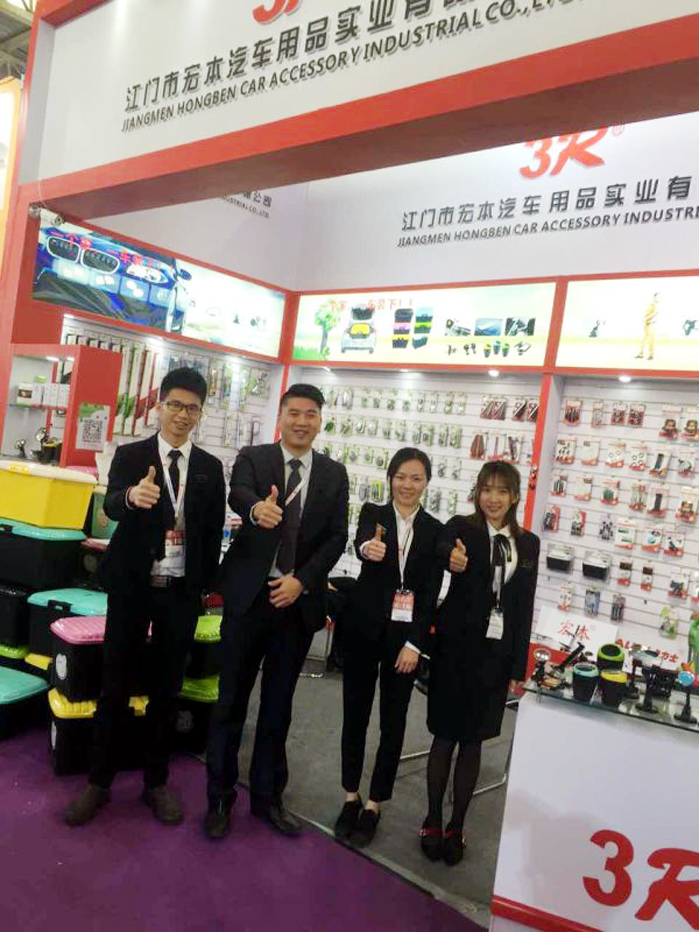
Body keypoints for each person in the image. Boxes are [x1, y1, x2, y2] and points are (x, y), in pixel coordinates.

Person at [63, 367, 226, 827]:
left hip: (180, 595)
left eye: (192, 407)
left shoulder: (210, 469)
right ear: (159, 406)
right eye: (175, 404)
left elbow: (212, 532)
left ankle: (156, 782)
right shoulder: (132, 455)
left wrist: (202, 589)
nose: (182, 414)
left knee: (167, 691)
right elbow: (112, 505)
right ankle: (99, 782)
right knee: (114, 686)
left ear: (200, 413)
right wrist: (133, 496)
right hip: (133, 589)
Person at [204, 384, 348, 841]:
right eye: (294, 412)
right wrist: (255, 510)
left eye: (310, 414)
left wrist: (301, 580)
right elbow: (238, 493)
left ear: (320, 420)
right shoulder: (255, 457)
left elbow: (337, 537)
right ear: (281, 416)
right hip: (249, 599)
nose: (301, 421)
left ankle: (268, 798)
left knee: (278, 707)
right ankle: (219, 798)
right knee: (230, 702)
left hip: (296, 602)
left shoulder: (333, 474)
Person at [421, 462, 539, 866]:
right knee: (444, 736)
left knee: (473, 741)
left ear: (515, 497)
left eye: (502, 491)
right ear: (477, 493)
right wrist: (450, 557)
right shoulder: (462, 528)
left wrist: (518, 668)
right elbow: (441, 548)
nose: (493, 498)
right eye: (487, 489)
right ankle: (432, 819)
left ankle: (456, 825)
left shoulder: (529, 544)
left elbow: (524, 607)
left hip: (495, 657)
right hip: (454, 650)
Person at [334, 448, 443, 847]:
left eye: (416, 478)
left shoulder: (434, 529)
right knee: (355, 714)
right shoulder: (373, 513)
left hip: (405, 639)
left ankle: (374, 803)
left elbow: (429, 592)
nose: (407, 485)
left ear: (426, 483)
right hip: (363, 629)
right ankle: (350, 796)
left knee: (393, 721)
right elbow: (363, 543)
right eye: (400, 476)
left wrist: (416, 642)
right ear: (390, 478)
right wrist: (369, 549)